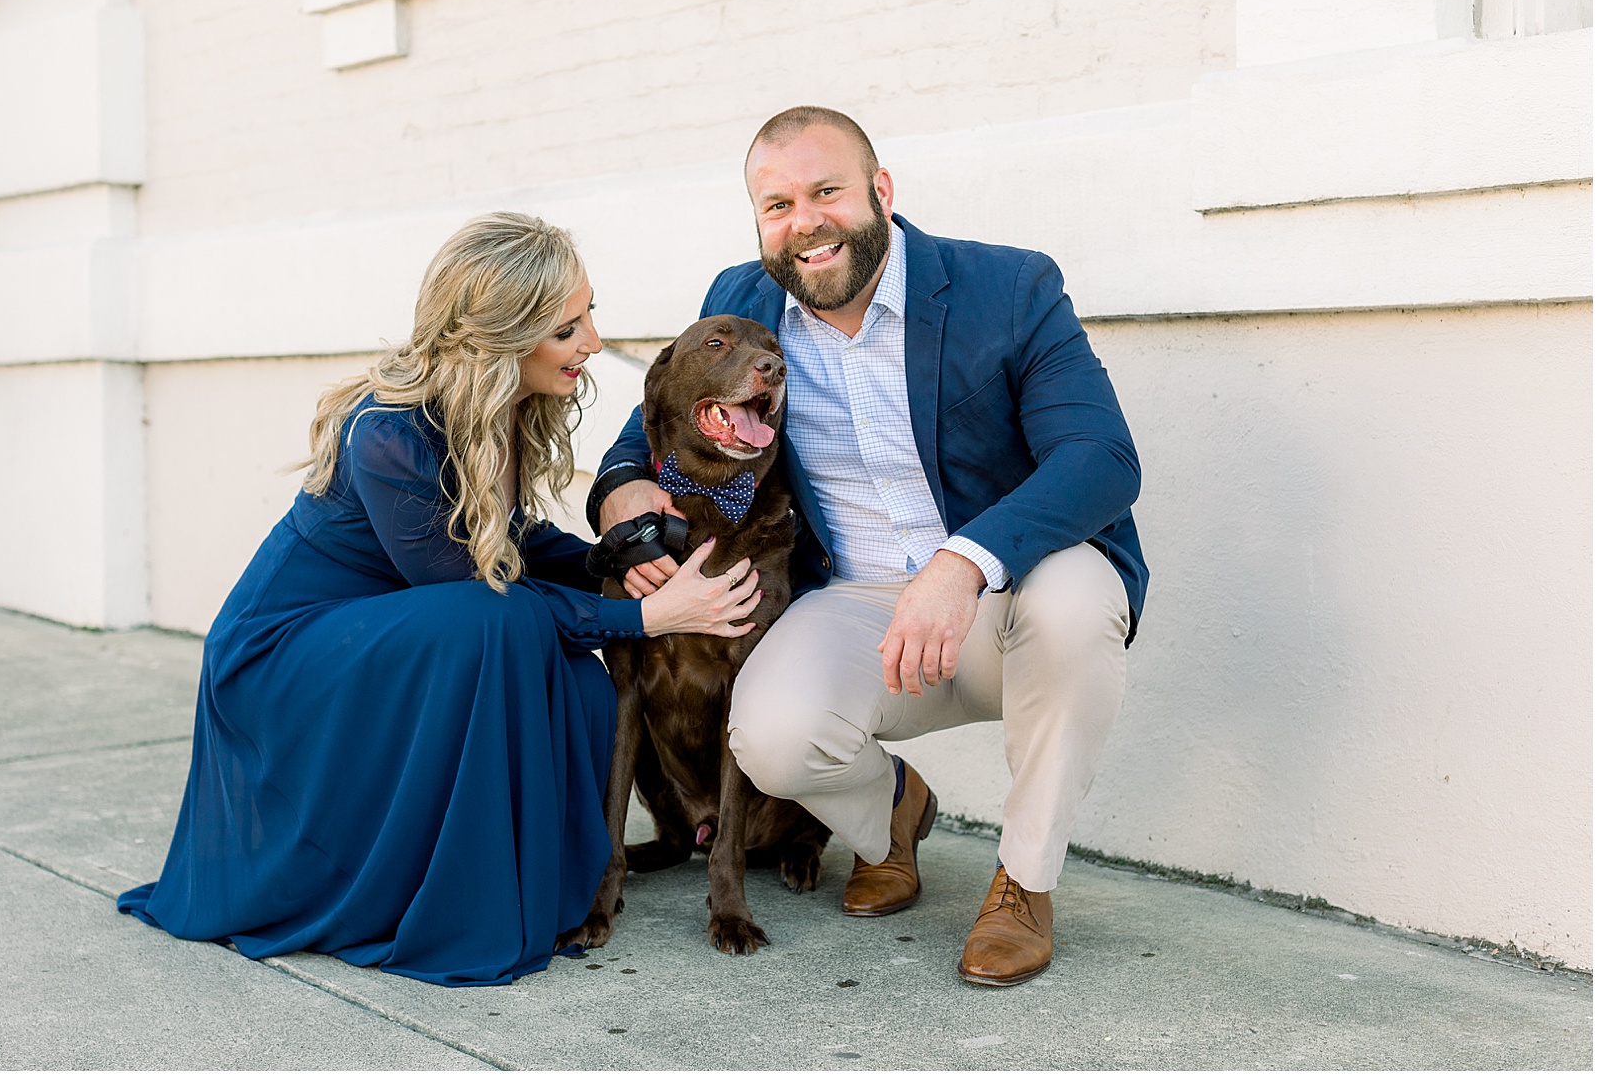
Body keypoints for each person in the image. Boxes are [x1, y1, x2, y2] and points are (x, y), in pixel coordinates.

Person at [120, 212, 762, 988]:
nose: (592, 342)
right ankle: (419, 893)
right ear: (501, 336)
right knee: (494, 622)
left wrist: (614, 557)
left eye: (589, 315)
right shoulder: (387, 431)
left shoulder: (501, 406)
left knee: (584, 684)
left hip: (391, 634)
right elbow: (472, 594)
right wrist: (646, 617)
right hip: (287, 658)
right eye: (567, 329)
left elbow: (511, 537)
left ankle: (528, 886)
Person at [589, 107, 1148, 987]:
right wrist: (621, 485)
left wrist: (964, 560)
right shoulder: (743, 301)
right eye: (778, 205)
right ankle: (892, 813)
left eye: (826, 191)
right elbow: (656, 421)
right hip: (856, 604)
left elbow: (1101, 457)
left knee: (1079, 598)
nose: (805, 222)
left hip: (1009, 589)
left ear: (881, 191)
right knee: (769, 734)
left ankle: (1024, 884)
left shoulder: (1008, 287)